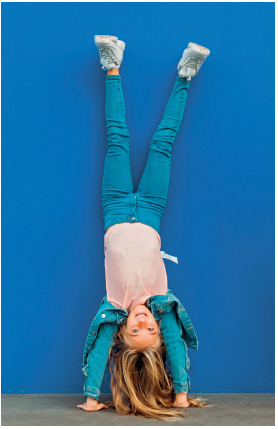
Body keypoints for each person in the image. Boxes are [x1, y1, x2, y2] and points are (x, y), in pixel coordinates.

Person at [77, 35, 210, 420]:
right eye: (149, 330)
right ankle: (186, 76)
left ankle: (112, 66)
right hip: (150, 210)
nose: (141, 322)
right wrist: (180, 395)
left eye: (134, 331)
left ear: (120, 333)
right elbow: (175, 343)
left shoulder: (114, 307)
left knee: (117, 140)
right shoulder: (162, 300)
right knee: (161, 143)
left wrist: (91, 396)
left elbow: (101, 351)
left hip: (115, 208)